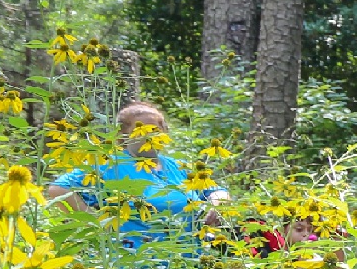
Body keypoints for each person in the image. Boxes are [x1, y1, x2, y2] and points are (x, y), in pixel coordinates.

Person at [45, 103, 225, 251]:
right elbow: (58, 189)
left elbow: (217, 191)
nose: (151, 135)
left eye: (156, 129)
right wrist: (95, 223)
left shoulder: (179, 166)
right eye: (142, 130)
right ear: (123, 136)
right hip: (134, 268)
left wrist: (217, 205)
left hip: (188, 266)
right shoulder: (111, 165)